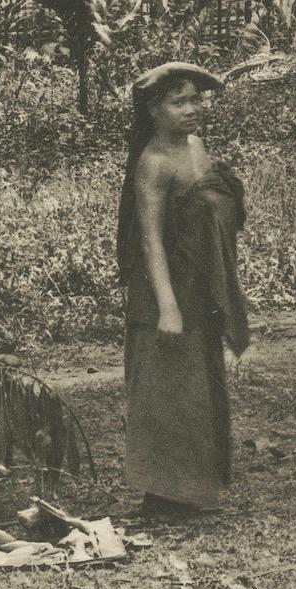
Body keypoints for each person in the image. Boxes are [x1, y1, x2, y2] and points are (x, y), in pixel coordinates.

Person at [118, 61, 251, 519]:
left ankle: (194, 487)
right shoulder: (152, 163)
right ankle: (162, 493)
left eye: (196, 99)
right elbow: (151, 239)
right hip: (164, 290)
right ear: (154, 109)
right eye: (179, 102)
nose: (192, 109)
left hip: (199, 283)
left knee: (197, 383)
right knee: (165, 388)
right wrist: (167, 307)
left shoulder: (196, 146)